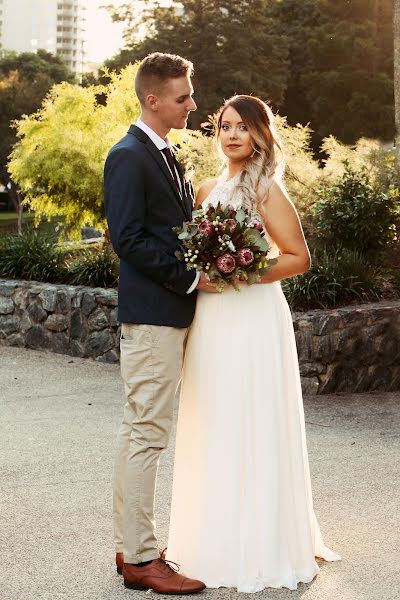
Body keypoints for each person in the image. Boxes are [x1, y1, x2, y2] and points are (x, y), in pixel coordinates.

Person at [166, 95, 341, 593]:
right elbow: (191, 253)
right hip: (212, 318)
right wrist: (207, 271)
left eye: (242, 126)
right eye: (224, 126)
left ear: (261, 133)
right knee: (214, 416)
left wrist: (243, 269)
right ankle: (210, 538)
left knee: (253, 416)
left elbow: (298, 258)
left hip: (253, 314)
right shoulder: (203, 189)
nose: (232, 134)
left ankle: (264, 543)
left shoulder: (268, 189)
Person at [103, 52, 212, 594]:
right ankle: (143, 558)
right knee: (146, 433)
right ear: (153, 100)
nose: (193, 105)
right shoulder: (128, 156)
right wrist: (189, 279)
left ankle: (133, 548)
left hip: (166, 314)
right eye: (183, 97)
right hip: (153, 315)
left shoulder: (166, 153)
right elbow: (128, 239)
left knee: (139, 432)